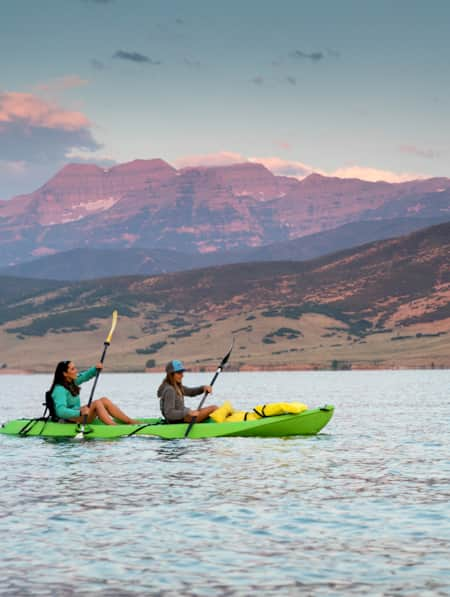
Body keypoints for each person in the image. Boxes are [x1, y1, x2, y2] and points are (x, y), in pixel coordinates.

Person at [49, 360, 138, 425]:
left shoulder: (72, 382)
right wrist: (80, 413)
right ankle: (114, 427)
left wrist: (95, 369)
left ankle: (129, 421)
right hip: (68, 420)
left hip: (78, 415)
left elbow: (84, 376)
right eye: (72, 369)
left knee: (104, 400)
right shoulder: (59, 389)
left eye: (75, 368)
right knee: (96, 403)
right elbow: (60, 411)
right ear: (65, 374)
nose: (76, 370)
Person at [158, 359, 218, 424]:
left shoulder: (176, 387)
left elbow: (191, 392)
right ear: (171, 374)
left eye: (182, 372)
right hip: (179, 420)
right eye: (179, 373)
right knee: (214, 408)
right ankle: (226, 425)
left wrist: (203, 388)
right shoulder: (170, 390)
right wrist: (188, 412)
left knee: (214, 408)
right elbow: (169, 414)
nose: (182, 375)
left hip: (183, 417)